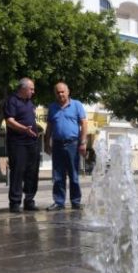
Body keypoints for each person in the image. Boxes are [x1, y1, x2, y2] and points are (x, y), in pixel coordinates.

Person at [45, 82, 87, 210]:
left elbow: (84, 124)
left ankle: (75, 201)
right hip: (57, 144)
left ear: (68, 92)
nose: (60, 94)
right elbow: (50, 126)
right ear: (55, 93)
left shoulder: (77, 105)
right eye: (58, 92)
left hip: (73, 144)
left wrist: (83, 142)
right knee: (58, 175)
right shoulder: (52, 107)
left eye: (63, 91)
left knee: (74, 175)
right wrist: (46, 142)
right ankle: (59, 202)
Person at [4, 78, 40, 212]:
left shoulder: (29, 102)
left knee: (32, 172)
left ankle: (29, 201)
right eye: (31, 89)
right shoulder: (12, 101)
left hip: (32, 142)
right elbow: (9, 121)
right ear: (23, 88)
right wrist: (24, 129)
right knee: (18, 172)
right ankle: (14, 203)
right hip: (18, 143)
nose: (33, 91)